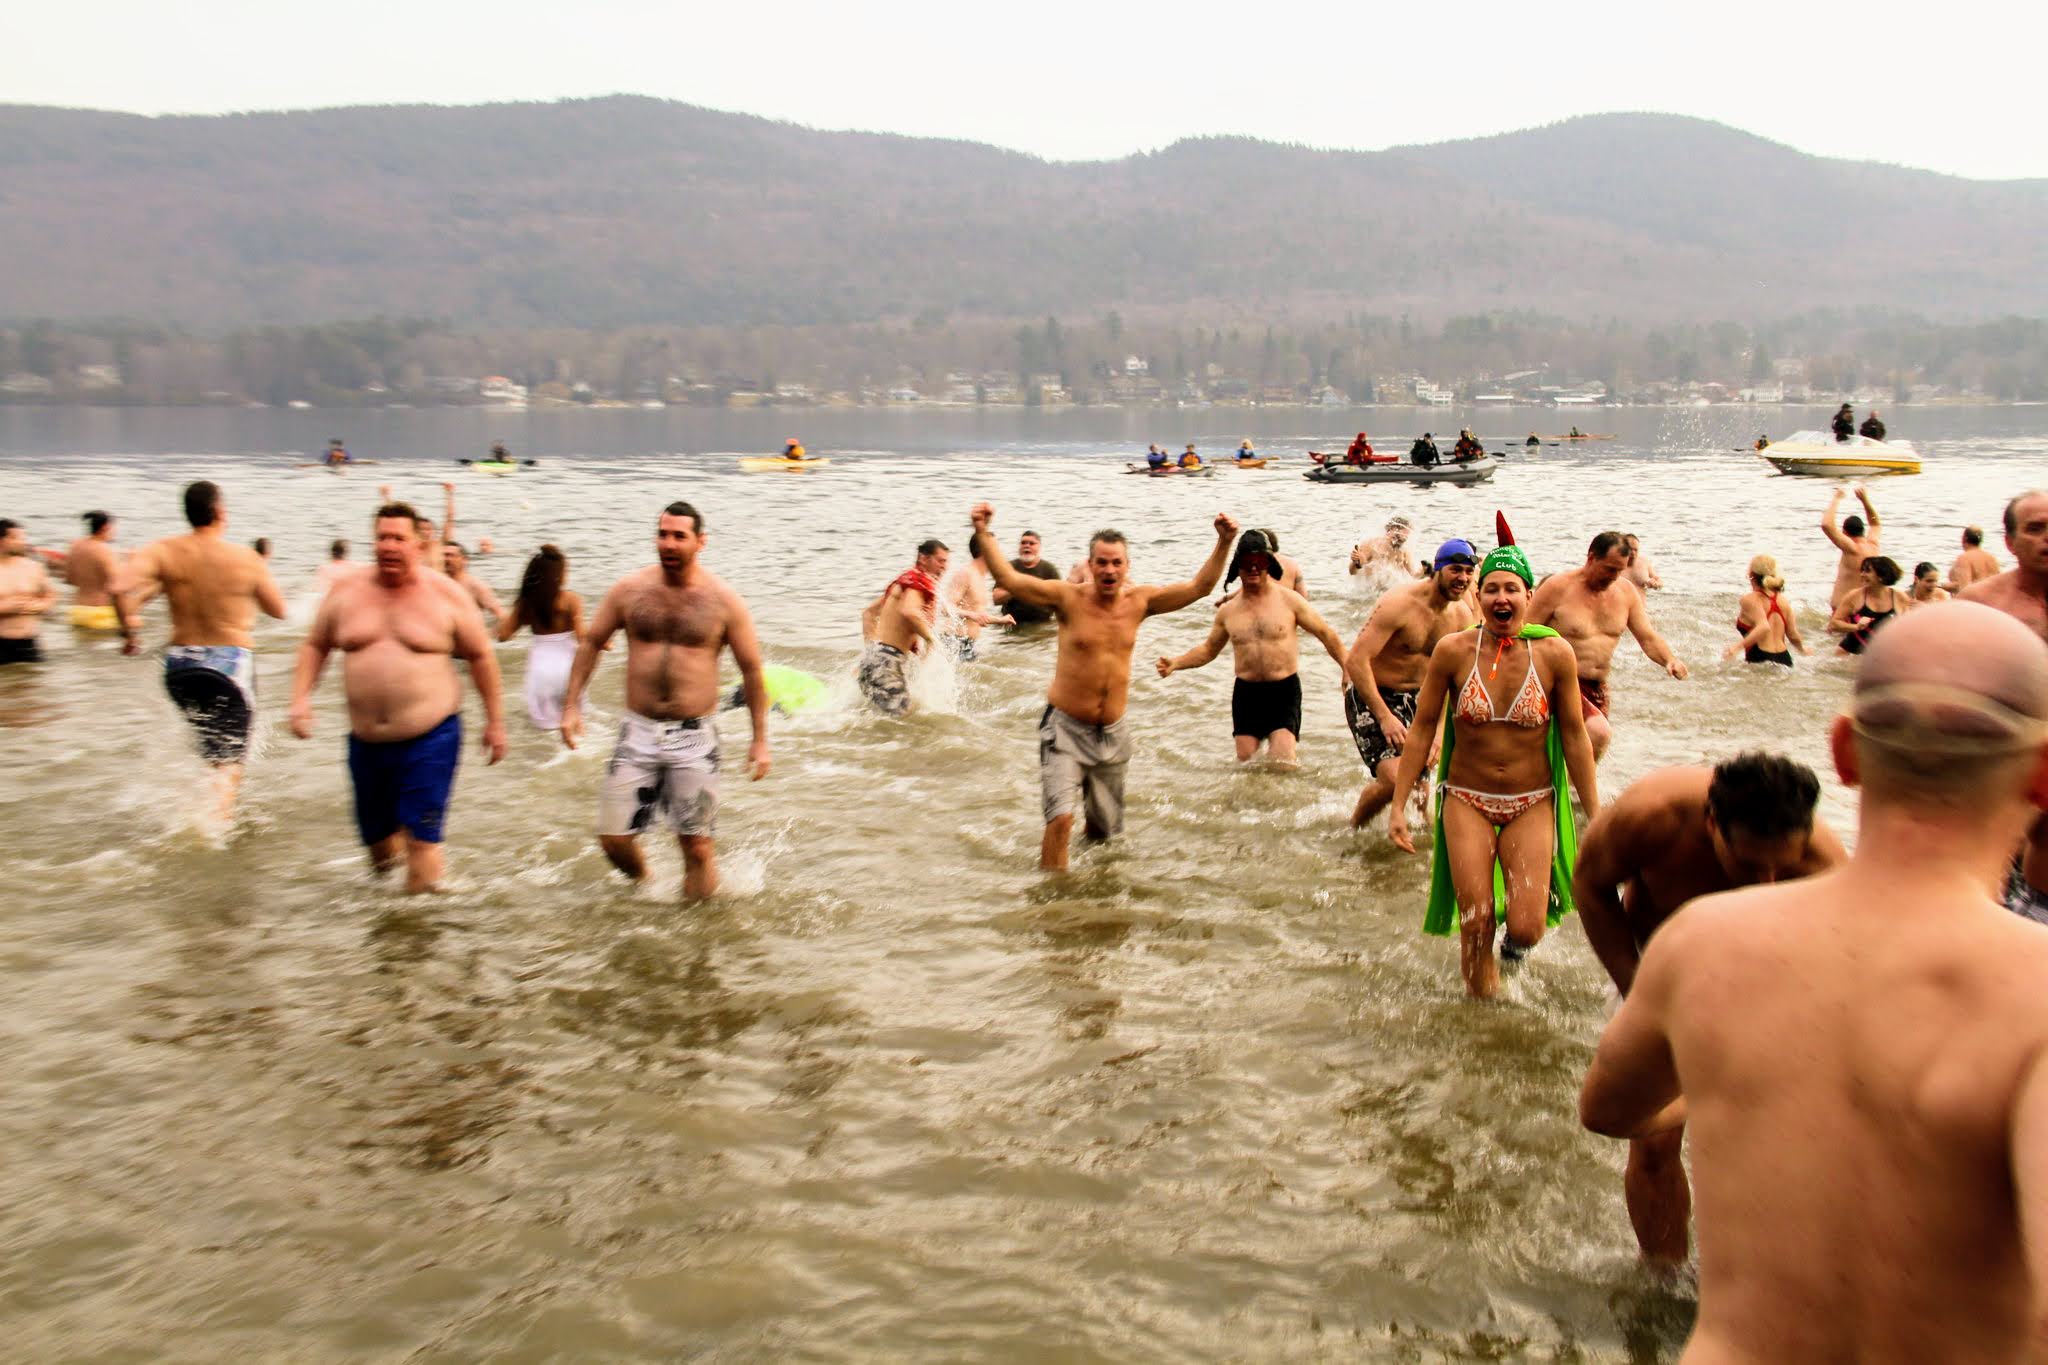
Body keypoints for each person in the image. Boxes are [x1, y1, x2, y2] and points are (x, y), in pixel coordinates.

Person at [1578, 603, 2048, 1363]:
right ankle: (1660, 1272)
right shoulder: (2033, 991)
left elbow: (1603, 1107)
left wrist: (1723, 1081)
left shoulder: (1701, 945)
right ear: (2046, 775)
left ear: (1844, 753)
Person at [1573, 755, 1846, 1265]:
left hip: (1770, 985)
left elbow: (1854, 962)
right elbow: (1589, 884)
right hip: (1663, 976)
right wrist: (1634, 984)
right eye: (1747, 864)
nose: (1766, 885)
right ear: (1712, 823)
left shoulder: (1828, 865)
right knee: (1653, 1141)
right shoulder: (1650, 815)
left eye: (1782, 868)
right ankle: (1665, 1277)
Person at [971, 503, 1237, 870]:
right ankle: (1054, 906)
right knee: (1061, 819)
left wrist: (1224, 542)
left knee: (1102, 836)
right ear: (1090, 565)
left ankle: (1097, 905)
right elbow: (1012, 581)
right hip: (1064, 729)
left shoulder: (1140, 602)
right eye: (1102, 562)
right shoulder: (1068, 598)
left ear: (1127, 567)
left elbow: (1199, 587)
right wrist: (983, 532)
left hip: (1112, 734)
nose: (1109, 570)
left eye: (1116, 563)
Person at [1387, 543, 1599, 998]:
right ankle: (1482, 1014)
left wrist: (1596, 816)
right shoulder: (1453, 650)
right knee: (1476, 919)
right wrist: (1399, 805)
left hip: (1532, 801)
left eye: (1512, 589)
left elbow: (1576, 737)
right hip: (1467, 799)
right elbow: (1422, 728)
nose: (1501, 598)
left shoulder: (1555, 654)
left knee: (1528, 927)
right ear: (1478, 598)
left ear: (1528, 595)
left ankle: (1512, 956)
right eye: (1491, 589)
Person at [558, 502, 769, 901]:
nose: (668, 544)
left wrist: (760, 739)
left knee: (697, 846)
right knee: (613, 840)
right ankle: (647, 885)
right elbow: (589, 644)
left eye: (679, 536)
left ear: (700, 542)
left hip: (694, 737)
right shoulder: (629, 591)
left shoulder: (723, 600)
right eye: (662, 534)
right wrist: (570, 706)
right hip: (637, 731)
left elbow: (752, 671)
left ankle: (696, 938)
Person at [290, 501, 505, 891]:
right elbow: (315, 645)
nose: (388, 545)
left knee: (422, 845)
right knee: (380, 851)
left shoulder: (446, 594)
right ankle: (396, 923)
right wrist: (301, 699)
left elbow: (480, 656)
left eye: (398, 538)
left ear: (418, 545)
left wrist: (495, 723)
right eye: (381, 537)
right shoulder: (346, 591)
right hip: (367, 744)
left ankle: (416, 940)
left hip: (431, 737)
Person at [119, 482, 288, 820]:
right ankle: (211, 826)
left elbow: (119, 586)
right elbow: (278, 610)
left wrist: (128, 632)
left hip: (180, 668)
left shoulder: (164, 551)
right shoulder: (246, 558)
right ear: (220, 511)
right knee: (231, 761)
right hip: (228, 666)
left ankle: (205, 811)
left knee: (215, 747)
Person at [1155, 530, 1364, 766]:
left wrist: (1347, 667)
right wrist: (1176, 663)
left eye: (1260, 562)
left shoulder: (1290, 601)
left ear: (1269, 565)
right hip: (1247, 694)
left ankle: (1287, 802)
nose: (1254, 568)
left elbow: (1327, 634)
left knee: (1283, 762)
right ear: (1237, 568)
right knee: (1245, 764)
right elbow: (1208, 650)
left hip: (1284, 691)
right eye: (1247, 563)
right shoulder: (1228, 610)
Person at [1343, 539, 1479, 826]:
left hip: (1420, 698)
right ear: (1438, 569)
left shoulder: (1460, 616)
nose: (1463, 578)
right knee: (1395, 780)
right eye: (1456, 570)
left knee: (1420, 795)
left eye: (1468, 572)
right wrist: (1384, 717)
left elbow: (1455, 681)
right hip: (1374, 694)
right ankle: (1354, 830)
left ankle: (1415, 850)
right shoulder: (1399, 604)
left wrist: (1441, 731)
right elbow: (1356, 660)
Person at [1962, 492, 2048, 922]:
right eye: (2035, 529)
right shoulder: (1981, 605)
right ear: (2010, 542)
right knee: (1994, 884)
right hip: (2005, 757)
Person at [1526, 531, 1688, 760]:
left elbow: (1647, 637)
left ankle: (1565, 791)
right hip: (1560, 681)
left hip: (1598, 687)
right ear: (1591, 558)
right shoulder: (1557, 587)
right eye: (1610, 569)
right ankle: (1575, 793)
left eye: (1620, 570)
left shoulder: (1625, 593)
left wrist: (1670, 660)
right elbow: (1523, 631)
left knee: (1584, 748)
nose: (1614, 577)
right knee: (1599, 733)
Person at [496, 543, 585, 731]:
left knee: (545, 731)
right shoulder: (570, 600)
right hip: (567, 669)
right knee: (575, 726)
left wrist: (505, 616)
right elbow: (583, 639)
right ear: (558, 575)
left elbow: (503, 635)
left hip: (541, 673)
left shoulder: (526, 604)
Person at [858, 539, 946, 715]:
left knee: (882, 718)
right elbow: (910, 612)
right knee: (905, 721)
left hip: (874, 660)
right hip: (887, 663)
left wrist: (872, 653)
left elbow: (868, 613)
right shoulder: (918, 582)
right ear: (923, 559)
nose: (944, 567)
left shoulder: (902, 584)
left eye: (946, 562)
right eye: (940, 561)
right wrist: (931, 639)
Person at [1722, 554, 1808, 666]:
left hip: (1761, 658)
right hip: (1785, 660)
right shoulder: (1783, 601)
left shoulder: (1750, 599)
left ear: (1751, 575)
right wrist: (1803, 650)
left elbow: (1764, 627)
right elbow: (1792, 635)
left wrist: (1736, 648)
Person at [941, 537, 1012, 660]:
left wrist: (1000, 620)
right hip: (953, 641)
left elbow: (978, 616)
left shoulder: (980, 577)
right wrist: (972, 615)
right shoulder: (966, 573)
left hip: (968, 644)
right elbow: (945, 608)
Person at [0, 519, 55, 664]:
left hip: (30, 642)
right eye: (17, 538)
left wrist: (38, 607)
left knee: (35, 684)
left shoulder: (33, 567)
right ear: (2, 540)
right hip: (1, 643)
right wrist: (6, 609)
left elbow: (50, 596)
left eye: (24, 538)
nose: (23, 542)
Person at [1821, 485, 1881, 617]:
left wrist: (1837, 498)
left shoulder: (1851, 548)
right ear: (1863, 531)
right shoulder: (1873, 546)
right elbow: (1875, 524)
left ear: (1844, 532)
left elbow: (1826, 525)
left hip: (1844, 613)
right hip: (1864, 610)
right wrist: (1865, 501)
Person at [1830, 555, 1908, 655]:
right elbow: (1834, 624)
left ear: (1881, 576)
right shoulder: (1854, 596)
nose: (1862, 575)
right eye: (1862, 571)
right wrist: (1856, 627)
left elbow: (1907, 628)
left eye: (1867, 571)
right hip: (1851, 655)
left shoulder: (1900, 597)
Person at [63, 511, 126, 633]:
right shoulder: (104, 550)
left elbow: (70, 579)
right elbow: (117, 585)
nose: (115, 532)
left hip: (77, 611)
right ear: (105, 527)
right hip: (100, 614)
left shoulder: (75, 546)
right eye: (114, 528)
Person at [994, 531, 1061, 627]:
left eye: (1031, 543)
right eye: (1023, 543)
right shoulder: (1008, 568)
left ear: (1039, 547)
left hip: (1043, 625)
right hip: (1013, 624)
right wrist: (1017, 589)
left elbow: (1061, 600)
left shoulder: (1049, 569)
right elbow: (996, 599)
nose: (1027, 546)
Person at [442, 542, 504, 623]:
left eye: (451, 555)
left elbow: (501, 614)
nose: (446, 559)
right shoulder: (438, 582)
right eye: (444, 555)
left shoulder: (476, 586)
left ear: (464, 560)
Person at [1349, 517, 1420, 580]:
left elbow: (1414, 575)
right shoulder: (1371, 545)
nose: (1402, 541)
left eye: (1405, 539)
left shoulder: (1403, 551)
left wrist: (1425, 572)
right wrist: (1356, 562)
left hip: (1392, 591)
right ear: (1391, 530)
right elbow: (1352, 572)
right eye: (1399, 537)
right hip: (1370, 592)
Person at [1947, 524, 2001, 593]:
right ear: (1981, 540)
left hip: (1973, 600)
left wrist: (1940, 586)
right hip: (1991, 601)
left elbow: (1964, 588)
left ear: (1964, 539)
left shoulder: (1964, 558)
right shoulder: (1992, 558)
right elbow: (1998, 585)